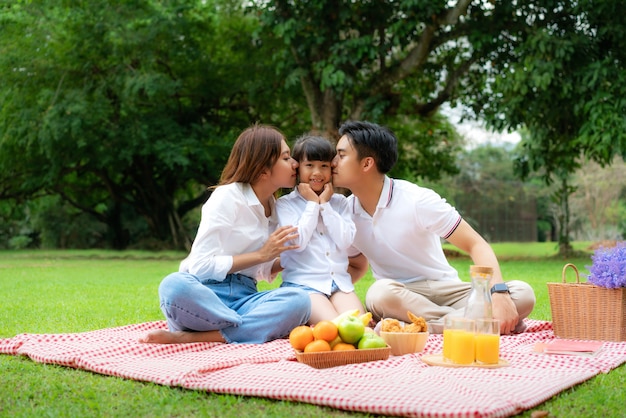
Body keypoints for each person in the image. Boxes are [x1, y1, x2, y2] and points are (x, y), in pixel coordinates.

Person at [332, 120, 535, 335]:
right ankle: (476, 322)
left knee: (523, 294)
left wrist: (499, 294)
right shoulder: (345, 212)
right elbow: (356, 265)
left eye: (341, 155)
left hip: (445, 289)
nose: (332, 162)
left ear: (366, 164)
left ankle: (419, 326)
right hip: (398, 295)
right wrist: (322, 291)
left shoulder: (417, 200)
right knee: (378, 295)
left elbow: (476, 244)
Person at [140, 124, 311, 345]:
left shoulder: (276, 208)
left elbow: (261, 271)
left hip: (245, 298)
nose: (295, 164)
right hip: (204, 295)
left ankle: (194, 336)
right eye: (286, 158)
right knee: (172, 285)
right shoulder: (228, 196)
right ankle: (246, 328)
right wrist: (261, 254)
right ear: (263, 169)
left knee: (299, 301)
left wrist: (295, 259)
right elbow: (200, 266)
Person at [276, 135, 365, 325]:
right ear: (298, 167)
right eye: (309, 165)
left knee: (359, 326)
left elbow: (345, 241)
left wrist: (324, 205)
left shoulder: (339, 203)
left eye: (324, 166)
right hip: (304, 286)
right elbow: (297, 243)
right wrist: (312, 204)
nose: (317, 172)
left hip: (339, 285)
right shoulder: (285, 205)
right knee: (335, 329)